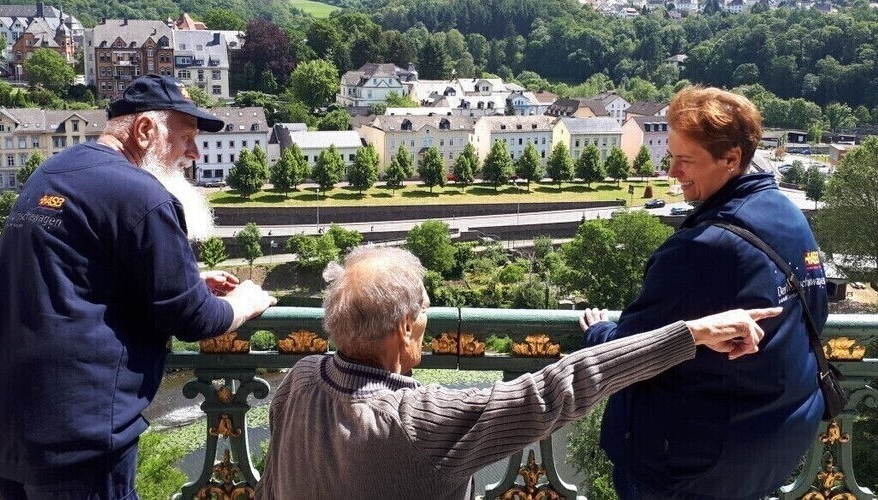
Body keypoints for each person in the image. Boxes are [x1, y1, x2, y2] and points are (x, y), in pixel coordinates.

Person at [0, 74, 276, 499]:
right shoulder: (143, 194)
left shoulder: (56, 170)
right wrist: (245, 300)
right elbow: (193, 318)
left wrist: (186, 279)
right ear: (145, 131)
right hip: (70, 435)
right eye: (186, 138)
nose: (194, 154)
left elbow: (77, 268)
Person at [254, 247, 781, 499]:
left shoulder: (300, 380)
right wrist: (689, 334)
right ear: (405, 329)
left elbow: (271, 484)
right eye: (426, 317)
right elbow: (560, 389)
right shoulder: (419, 422)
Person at [581, 86, 828, 499]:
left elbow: (633, 349)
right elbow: (813, 313)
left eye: (685, 160)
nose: (672, 172)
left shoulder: (702, 249)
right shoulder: (785, 212)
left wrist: (597, 332)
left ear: (731, 159)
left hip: (695, 462)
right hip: (773, 438)